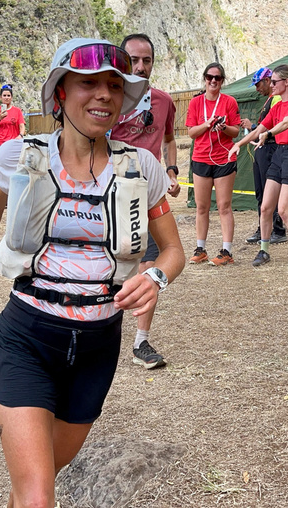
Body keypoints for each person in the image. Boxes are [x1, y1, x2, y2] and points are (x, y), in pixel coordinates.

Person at [0, 38, 184, 507]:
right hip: (28, 336)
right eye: (88, 83)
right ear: (60, 94)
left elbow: (173, 250)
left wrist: (155, 280)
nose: (104, 95)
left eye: (114, 85)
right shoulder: (20, 156)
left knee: (40, 478)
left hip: (98, 345)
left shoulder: (142, 167)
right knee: (37, 495)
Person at [110, 33, 179, 369]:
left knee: (149, 268)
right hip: (106, 199)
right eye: (133, 60)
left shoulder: (164, 101)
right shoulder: (108, 97)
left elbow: (168, 139)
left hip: (145, 199)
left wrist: (171, 171)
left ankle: (141, 342)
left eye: (146, 60)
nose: (139, 66)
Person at [230, 65, 288, 269]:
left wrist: (268, 134)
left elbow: (286, 123)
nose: (270, 85)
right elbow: (259, 130)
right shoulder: (275, 106)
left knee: (283, 209)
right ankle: (264, 250)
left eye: (274, 81)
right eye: (271, 81)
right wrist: (238, 144)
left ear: (287, 82)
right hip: (280, 154)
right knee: (266, 207)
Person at [186, 63, 241, 266]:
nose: (213, 81)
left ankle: (227, 251)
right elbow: (191, 132)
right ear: (205, 78)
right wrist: (206, 125)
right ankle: (200, 249)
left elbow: (236, 131)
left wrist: (223, 127)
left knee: (224, 206)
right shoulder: (195, 103)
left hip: (224, 158)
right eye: (210, 77)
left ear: (222, 81)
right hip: (201, 157)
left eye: (217, 78)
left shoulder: (229, 102)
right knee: (202, 207)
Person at [240, 67, 288, 245]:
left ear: (268, 81)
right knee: (260, 192)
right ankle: (264, 228)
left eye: (258, 84)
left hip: (271, 149)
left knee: (270, 191)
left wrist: (253, 127)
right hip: (262, 149)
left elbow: (273, 127)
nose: (256, 89)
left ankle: (278, 229)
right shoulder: (268, 100)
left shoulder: (276, 99)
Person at [0, 84, 26, 155]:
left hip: (13, 143)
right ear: (0, 97)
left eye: (8, 95)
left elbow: (22, 125)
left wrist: (21, 135)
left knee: (13, 165)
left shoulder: (17, 111)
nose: (6, 98)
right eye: (4, 95)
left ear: (11, 97)